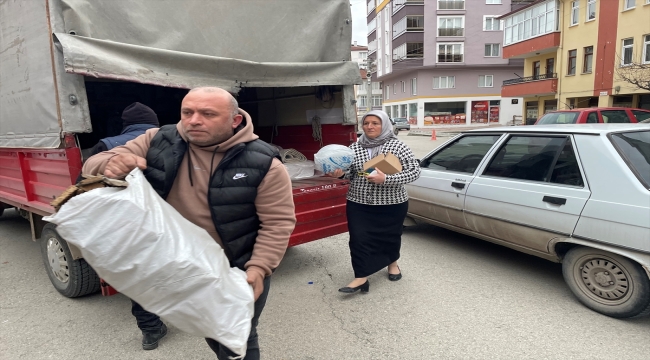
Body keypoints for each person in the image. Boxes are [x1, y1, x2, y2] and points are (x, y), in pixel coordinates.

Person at [82, 87, 296, 358]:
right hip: (180, 265)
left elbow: (277, 222)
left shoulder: (265, 163)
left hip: (234, 266)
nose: (194, 120)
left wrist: (259, 267)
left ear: (235, 120)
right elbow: (93, 164)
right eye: (187, 112)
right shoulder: (158, 139)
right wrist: (112, 163)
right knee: (210, 329)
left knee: (238, 337)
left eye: (207, 114)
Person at [329, 110, 420, 294]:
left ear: (384, 124)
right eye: (366, 123)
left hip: (392, 203)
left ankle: (392, 263)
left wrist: (386, 178)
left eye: (375, 123)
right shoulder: (355, 148)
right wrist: (341, 174)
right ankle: (361, 277)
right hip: (359, 203)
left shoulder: (398, 146)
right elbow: (352, 174)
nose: (370, 126)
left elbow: (414, 172)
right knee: (358, 239)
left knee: (390, 236)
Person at [83, 102, 160, 159]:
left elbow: (85, 176)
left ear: (124, 123)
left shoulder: (105, 145)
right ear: (155, 121)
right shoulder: (167, 139)